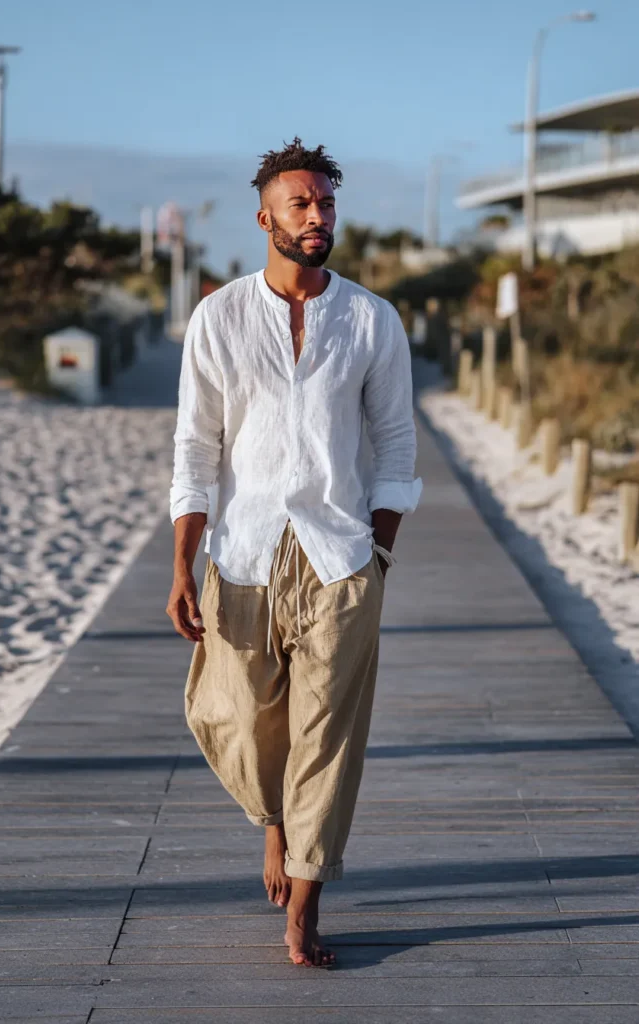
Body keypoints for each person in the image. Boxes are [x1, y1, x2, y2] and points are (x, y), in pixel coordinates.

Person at [166, 137, 422, 967]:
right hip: (240, 552)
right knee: (235, 717)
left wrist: (375, 555)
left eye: (326, 203)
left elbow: (395, 442)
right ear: (264, 219)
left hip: (338, 557)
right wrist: (182, 563)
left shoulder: (370, 319)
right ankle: (274, 820)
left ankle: (306, 901)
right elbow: (195, 448)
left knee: (328, 736)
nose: (318, 217)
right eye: (301, 204)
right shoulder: (220, 317)